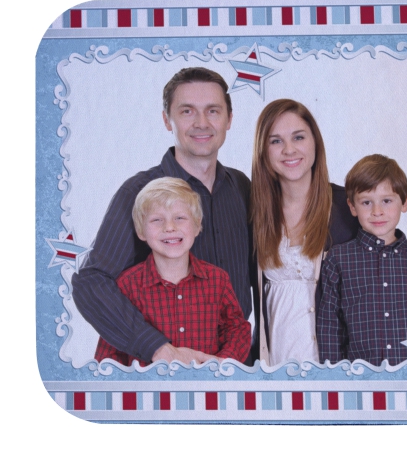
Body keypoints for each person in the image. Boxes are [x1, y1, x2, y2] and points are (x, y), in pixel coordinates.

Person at [72, 67, 254, 365]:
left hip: (234, 366)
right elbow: (91, 282)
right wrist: (157, 348)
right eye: (187, 111)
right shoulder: (139, 193)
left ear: (229, 119)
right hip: (159, 371)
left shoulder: (242, 187)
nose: (201, 122)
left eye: (213, 110)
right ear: (167, 120)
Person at [95, 178, 251, 365]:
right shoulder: (126, 285)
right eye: (157, 220)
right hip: (147, 385)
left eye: (179, 218)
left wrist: (221, 364)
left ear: (197, 225)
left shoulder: (217, 280)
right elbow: (110, 349)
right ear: (141, 230)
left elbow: (237, 328)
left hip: (207, 383)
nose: (169, 227)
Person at [251, 99, 358, 366]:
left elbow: (390, 261)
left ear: (315, 143)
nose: (289, 149)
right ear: (263, 151)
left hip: (337, 368)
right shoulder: (254, 214)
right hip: (275, 366)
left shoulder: (347, 208)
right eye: (276, 141)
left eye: (298, 137)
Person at [317, 154, 407, 366]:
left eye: (386, 201)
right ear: (352, 207)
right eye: (366, 202)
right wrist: (334, 375)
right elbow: (330, 326)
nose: (377, 212)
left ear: (404, 202)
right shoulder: (338, 259)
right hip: (360, 377)